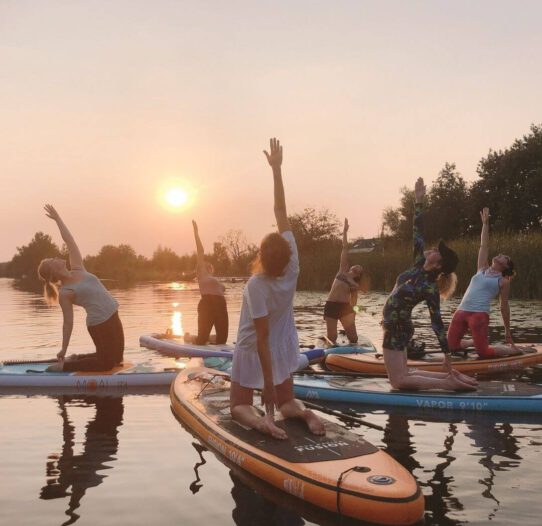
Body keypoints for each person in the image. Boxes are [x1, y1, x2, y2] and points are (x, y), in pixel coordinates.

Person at [230, 138, 325, 440]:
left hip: (253, 349)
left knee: (238, 406)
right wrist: (277, 170)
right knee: (286, 403)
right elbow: (280, 209)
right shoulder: (293, 263)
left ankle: (261, 423)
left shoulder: (256, 285)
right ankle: (304, 413)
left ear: (260, 257)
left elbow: (260, 338)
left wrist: (266, 384)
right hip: (285, 344)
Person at [382, 178, 478, 391]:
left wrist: (447, 355)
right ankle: (450, 378)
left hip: (397, 329)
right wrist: (418, 201)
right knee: (404, 374)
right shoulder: (418, 263)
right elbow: (417, 230)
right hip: (396, 327)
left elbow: (437, 322)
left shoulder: (430, 287)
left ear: (438, 264)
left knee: (398, 382)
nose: (433, 249)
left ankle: (448, 383)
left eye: (437, 251)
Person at [37, 205, 124, 372]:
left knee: (117, 360)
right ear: (53, 271)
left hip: (113, 313)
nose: (56, 257)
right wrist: (63, 349)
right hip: (99, 323)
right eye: (52, 260)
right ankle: (64, 366)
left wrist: (58, 219)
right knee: (106, 364)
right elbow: (68, 323)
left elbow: (69, 240)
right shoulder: (65, 293)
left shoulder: (78, 268)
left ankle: (77, 358)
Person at [447, 207, 526, 357]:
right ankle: (474, 342)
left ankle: (513, 351)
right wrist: (485, 224)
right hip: (461, 311)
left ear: (506, 266)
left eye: (505, 257)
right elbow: (484, 245)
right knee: (451, 346)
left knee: (483, 353)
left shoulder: (503, 281)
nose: (501, 255)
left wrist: (507, 331)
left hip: (479, 315)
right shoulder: (481, 269)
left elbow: (504, 307)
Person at [184, 220, 229, 345]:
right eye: (205, 266)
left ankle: (209, 338)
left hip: (221, 306)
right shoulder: (202, 275)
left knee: (222, 340)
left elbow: (222, 291)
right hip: (207, 305)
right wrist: (196, 232)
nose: (208, 267)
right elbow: (200, 251)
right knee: (201, 341)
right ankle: (189, 338)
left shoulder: (216, 281)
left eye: (209, 267)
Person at [324, 218, 362, 344]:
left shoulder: (355, 285)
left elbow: (354, 302)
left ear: (359, 274)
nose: (358, 266)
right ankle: (329, 344)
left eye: (360, 268)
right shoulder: (342, 271)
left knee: (354, 338)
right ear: (351, 267)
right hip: (331, 305)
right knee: (333, 337)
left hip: (345, 308)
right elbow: (345, 248)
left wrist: (353, 316)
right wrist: (345, 231)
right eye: (356, 265)